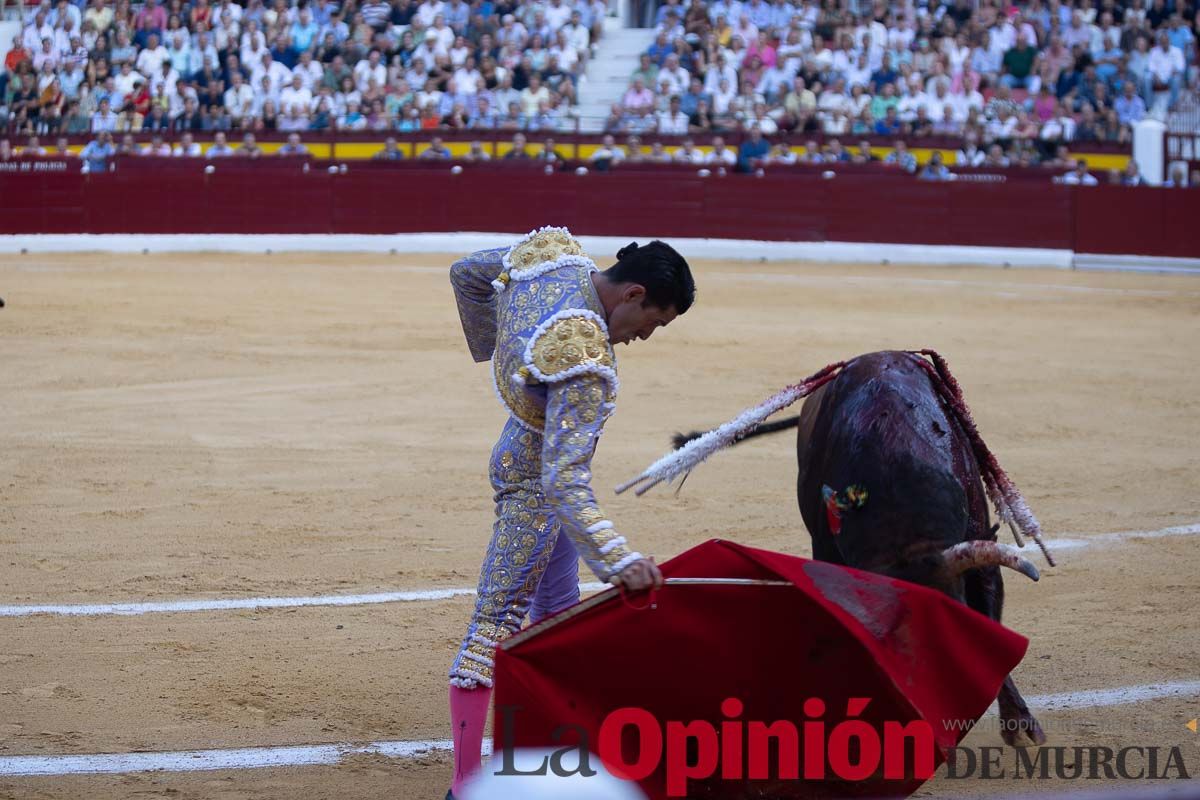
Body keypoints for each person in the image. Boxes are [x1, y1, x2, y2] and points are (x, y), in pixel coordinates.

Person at [445, 230, 696, 800]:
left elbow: (467, 273)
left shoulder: (554, 259)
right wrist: (618, 560)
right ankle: (462, 788)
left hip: (519, 446)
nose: (640, 339)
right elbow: (562, 480)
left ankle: (548, 748)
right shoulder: (584, 358)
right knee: (492, 629)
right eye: (651, 324)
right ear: (633, 294)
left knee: (557, 613)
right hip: (535, 488)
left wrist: (500, 358)